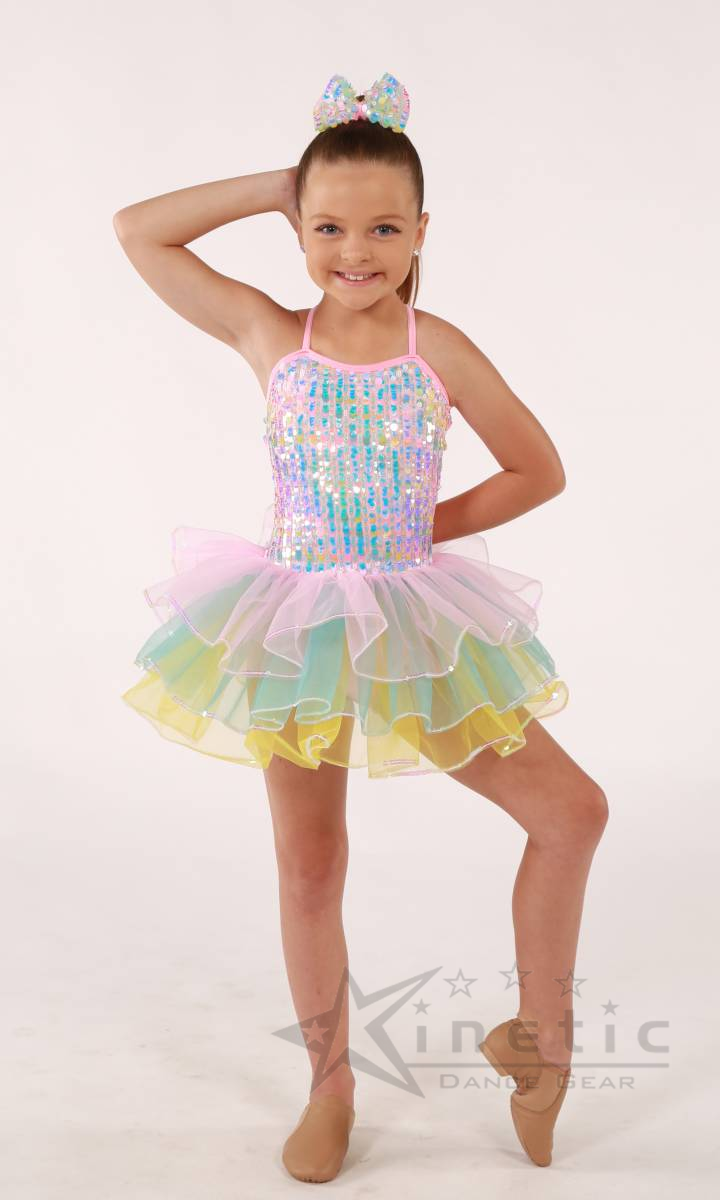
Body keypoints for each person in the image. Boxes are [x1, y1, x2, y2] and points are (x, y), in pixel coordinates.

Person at [115, 72, 608, 1181]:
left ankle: (539, 1039)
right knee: (312, 865)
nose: (355, 250)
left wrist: (416, 526)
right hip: (295, 628)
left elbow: (538, 470)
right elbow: (139, 231)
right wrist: (280, 184)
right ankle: (330, 1085)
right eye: (328, 227)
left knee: (572, 812)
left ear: (422, 231)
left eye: (384, 227)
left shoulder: (442, 349)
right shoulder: (269, 332)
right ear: (299, 229)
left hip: (410, 623)